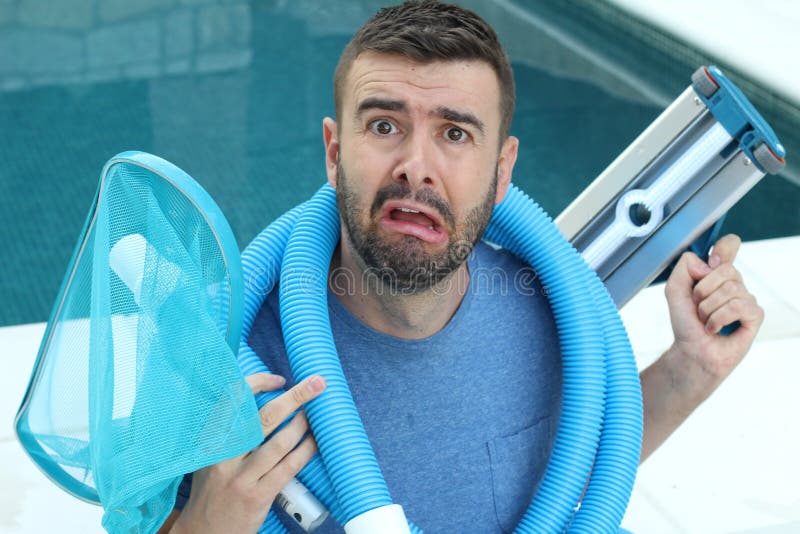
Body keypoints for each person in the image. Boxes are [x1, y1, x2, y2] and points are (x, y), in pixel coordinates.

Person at [161, 1, 764, 532]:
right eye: (384, 125)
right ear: (334, 152)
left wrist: (692, 368)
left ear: (502, 170)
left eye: (454, 133)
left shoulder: (548, 310)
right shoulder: (220, 351)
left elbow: (580, 475)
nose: (415, 166)